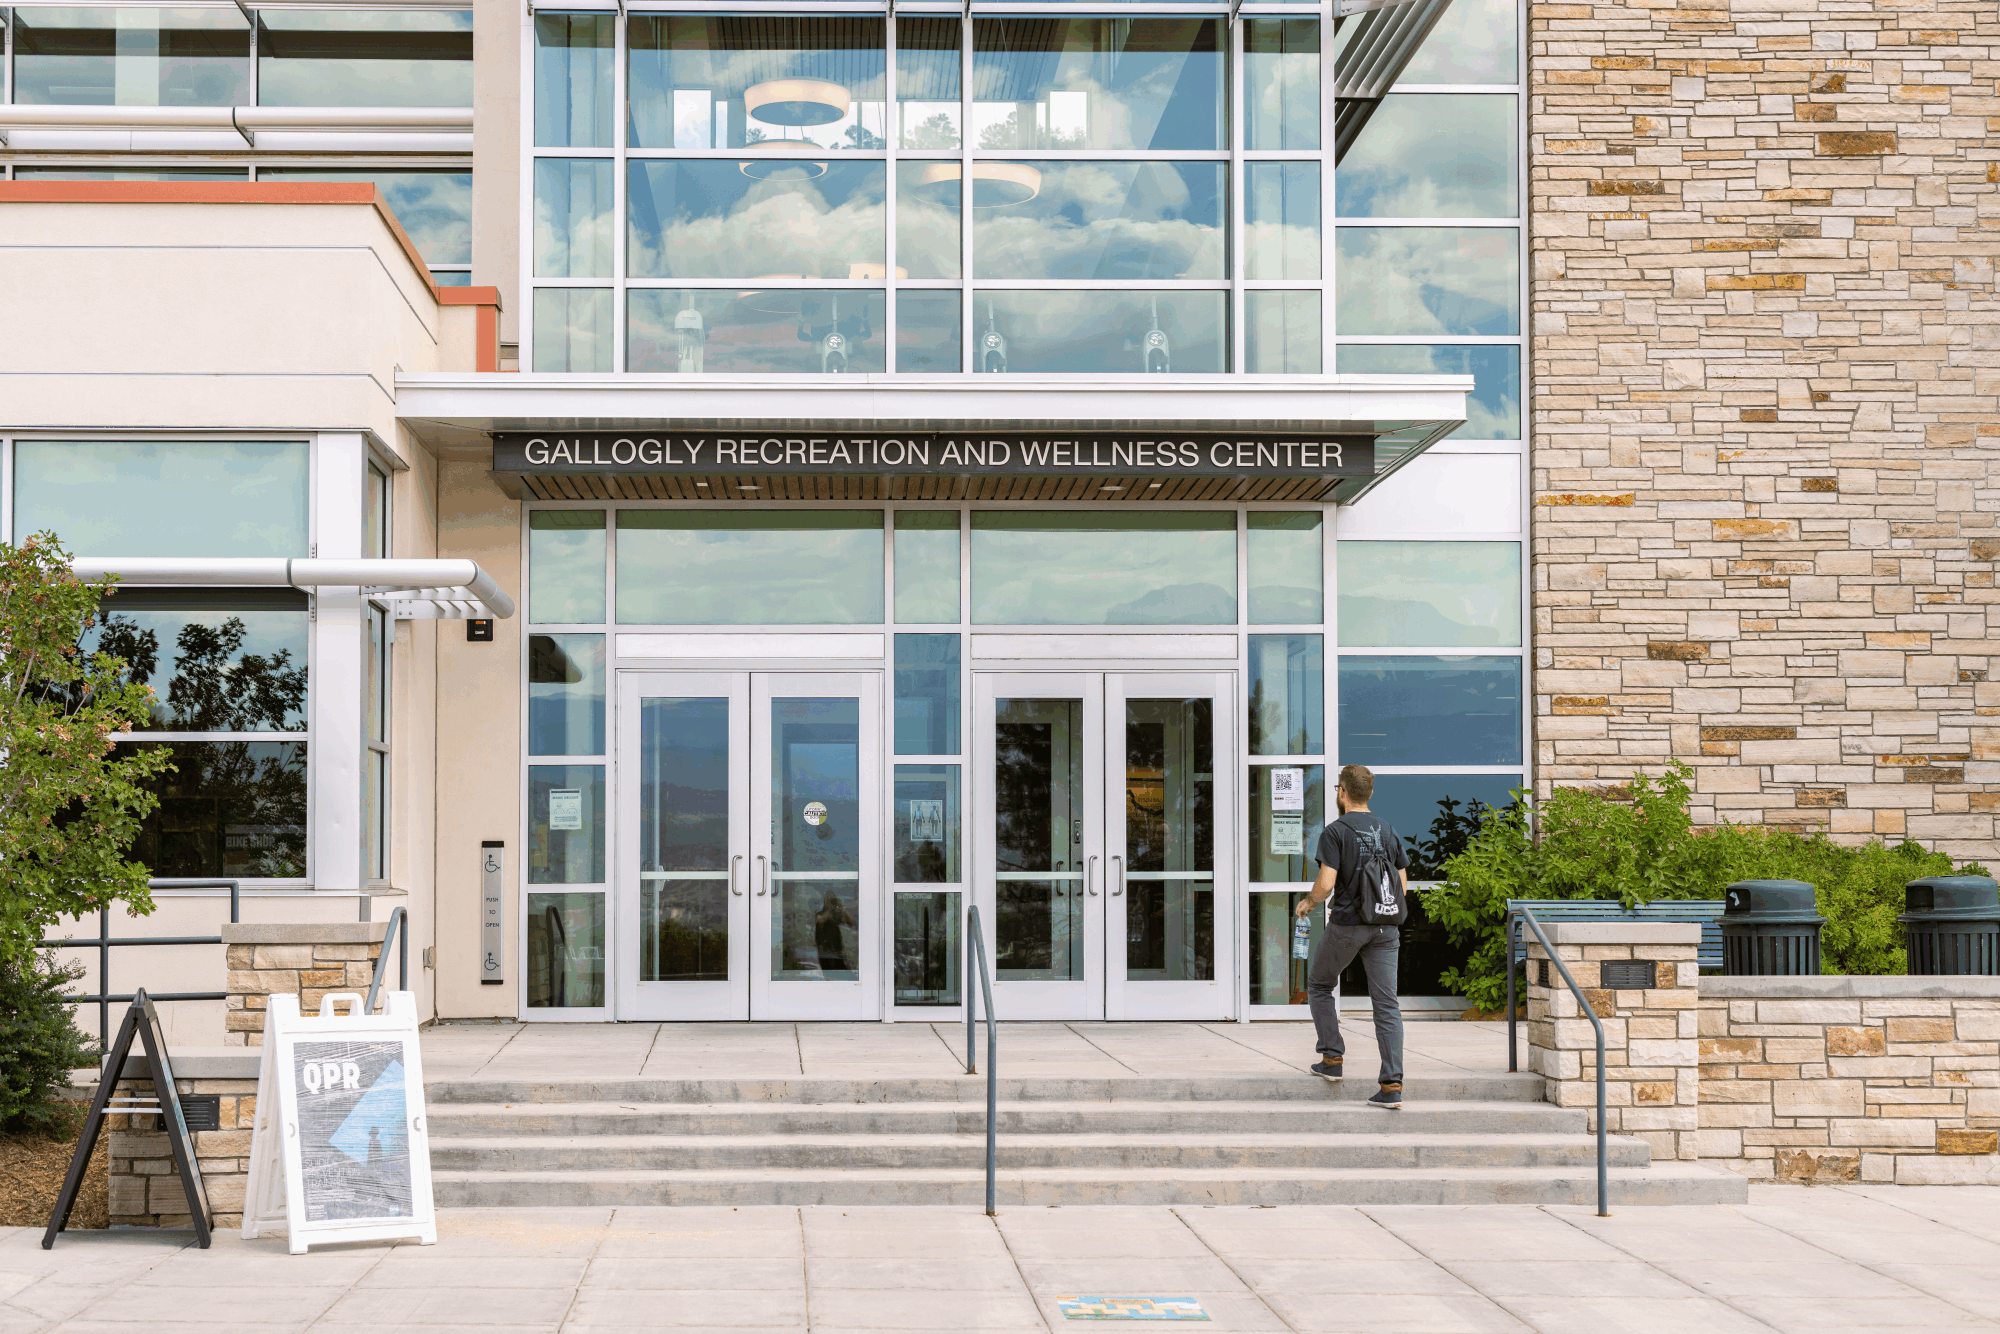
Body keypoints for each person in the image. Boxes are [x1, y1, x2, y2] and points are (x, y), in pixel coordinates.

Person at [1293, 763, 1408, 1109]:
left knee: (1320, 984)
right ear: (1370, 793)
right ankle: (1391, 1086)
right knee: (1386, 1003)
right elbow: (1402, 885)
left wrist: (1309, 902)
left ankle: (1331, 1059)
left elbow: (1327, 883)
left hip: (1347, 925)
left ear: (1342, 793)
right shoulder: (1388, 830)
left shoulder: (1335, 832)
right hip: (1386, 927)